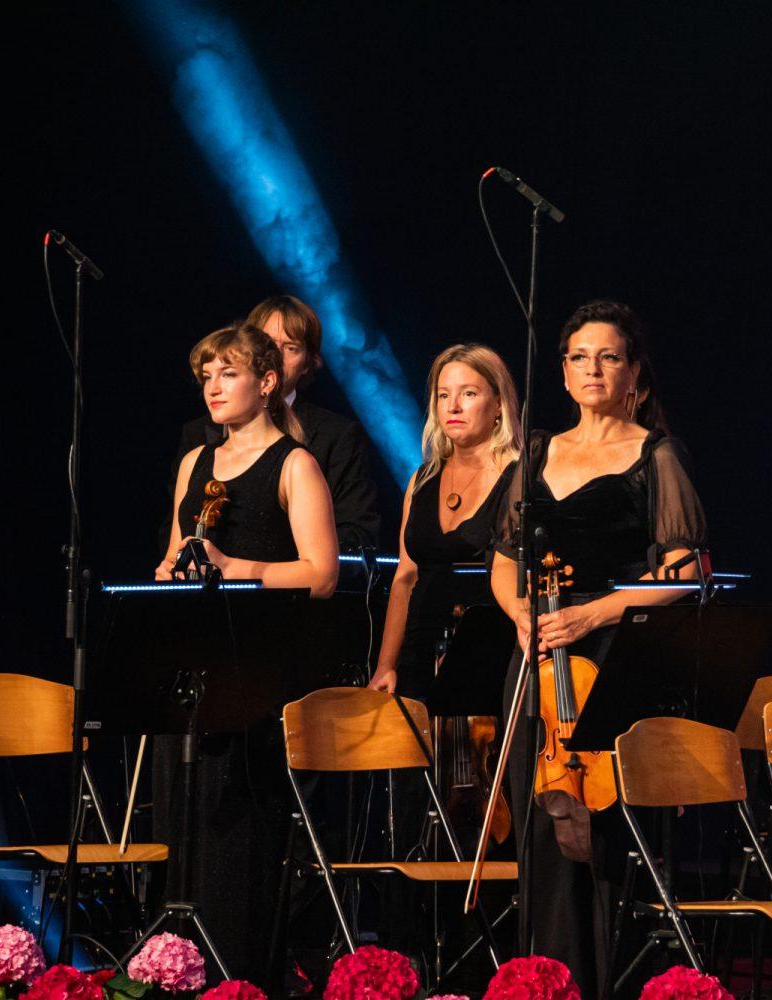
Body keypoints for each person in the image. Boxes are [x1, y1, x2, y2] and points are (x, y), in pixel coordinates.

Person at [490, 300, 706, 995]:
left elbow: (686, 572)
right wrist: (520, 614)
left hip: (611, 654)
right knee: (540, 825)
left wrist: (595, 615)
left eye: (609, 357)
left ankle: (606, 982)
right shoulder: (537, 451)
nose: (593, 369)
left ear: (634, 372)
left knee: (606, 831)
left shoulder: (655, 454)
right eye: (580, 357)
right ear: (562, 371)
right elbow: (504, 562)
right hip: (537, 654)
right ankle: (544, 981)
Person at [154, 321, 338, 983]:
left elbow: (321, 574)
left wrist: (238, 568)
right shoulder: (194, 463)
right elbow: (173, 555)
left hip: (257, 671)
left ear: (265, 383)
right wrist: (168, 572)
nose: (213, 387)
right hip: (195, 666)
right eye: (206, 376)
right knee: (186, 818)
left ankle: (239, 979)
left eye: (227, 374)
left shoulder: (294, 463)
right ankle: (179, 971)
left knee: (241, 834)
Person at [368, 343, 522, 700]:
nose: (453, 406)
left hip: (488, 654)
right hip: (418, 654)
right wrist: (386, 664)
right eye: (443, 395)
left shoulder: (518, 476)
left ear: (499, 403)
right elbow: (405, 577)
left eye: (468, 394)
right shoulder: (421, 479)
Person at [172, 295, 380, 550]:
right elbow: (177, 527)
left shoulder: (336, 435)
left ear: (308, 362)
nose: (275, 356)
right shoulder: (196, 438)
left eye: (290, 348)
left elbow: (355, 533)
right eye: (266, 343)